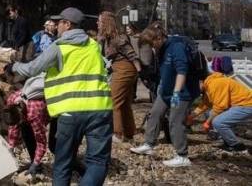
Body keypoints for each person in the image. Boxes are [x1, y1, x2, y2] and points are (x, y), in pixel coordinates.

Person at [7, 7, 112, 186]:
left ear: (68, 24)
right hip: (101, 110)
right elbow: (108, 68)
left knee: (63, 163)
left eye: (59, 23)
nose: (56, 26)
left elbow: (32, 68)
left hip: (71, 113)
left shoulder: (60, 47)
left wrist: (13, 67)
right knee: (98, 162)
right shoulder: (94, 46)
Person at [130, 22, 200, 167]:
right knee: (155, 114)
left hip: (181, 93)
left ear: (159, 38)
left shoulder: (177, 47)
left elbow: (182, 71)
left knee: (175, 121)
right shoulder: (161, 49)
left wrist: (176, 93)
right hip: (166, 91)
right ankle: (149, 144)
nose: (152, 48)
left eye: (152, 44)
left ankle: (182, 156)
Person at [97, 11, 141, 143]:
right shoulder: (109, 38)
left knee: (114, 101)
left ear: (106, 23)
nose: (97, 23)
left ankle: (118, 133)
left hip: (124, 69)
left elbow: (131, 53)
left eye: (99, 21)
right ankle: (128, 133)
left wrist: (138, 69)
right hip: (121, 69)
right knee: (124, 103)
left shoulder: (118, 38)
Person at [193, 59, 252, 152]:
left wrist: (207, 123)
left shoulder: (214, 84)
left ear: (200, 81)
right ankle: (227, 141)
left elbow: (219, 107)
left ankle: (236, 146)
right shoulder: (209, 84)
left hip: (246, 105)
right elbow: (205, 104)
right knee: (216, 117)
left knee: (218, 122)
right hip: (240, 105)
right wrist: (191, 116)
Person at [4, 73, 48, 175]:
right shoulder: (12, 100)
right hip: (28, 113)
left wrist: (36, 163)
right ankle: (35, 161)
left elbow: (41, 141)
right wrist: (11, 147)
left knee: (52, 143)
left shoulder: (34, 114)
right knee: (26, 132)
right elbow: (13, 125)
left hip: (53, 110)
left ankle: (37, 165)